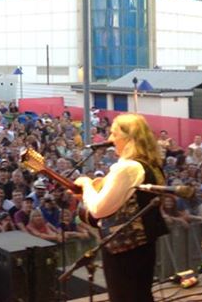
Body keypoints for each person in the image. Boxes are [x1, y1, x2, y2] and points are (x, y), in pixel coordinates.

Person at [75, 113, 168, 302]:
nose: (109, 139)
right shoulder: (150, 164)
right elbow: (129, 198)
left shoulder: (127, 167)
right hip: (143, 245)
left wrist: (86, 185)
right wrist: (97, 188)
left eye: (114, 133)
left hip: (123, 249)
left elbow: (98, 210)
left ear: (129, 137)